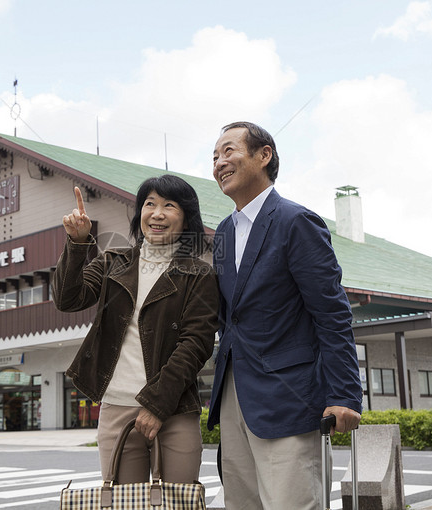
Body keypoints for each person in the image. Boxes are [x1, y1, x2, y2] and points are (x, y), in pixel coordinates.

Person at [207, 121, 363, 509]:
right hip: (234, 395)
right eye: (214, 157)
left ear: (264, 155)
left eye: (229, 151)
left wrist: (344, 394)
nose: (219, 163)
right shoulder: (224, 232)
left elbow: (331, 313)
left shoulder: (296, 221)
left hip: (288, 398)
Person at [52, 175, 219, 484]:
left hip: (175, 410)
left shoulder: (199, 274)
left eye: (169, 205)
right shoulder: (113, 261)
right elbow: (67, 299)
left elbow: (195, 344)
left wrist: (156, 405)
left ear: (186, 218)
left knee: (178, 504)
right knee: (124, 503)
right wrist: (77, 245)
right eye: (149, 203)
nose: (156, 213)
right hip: (116, 406)